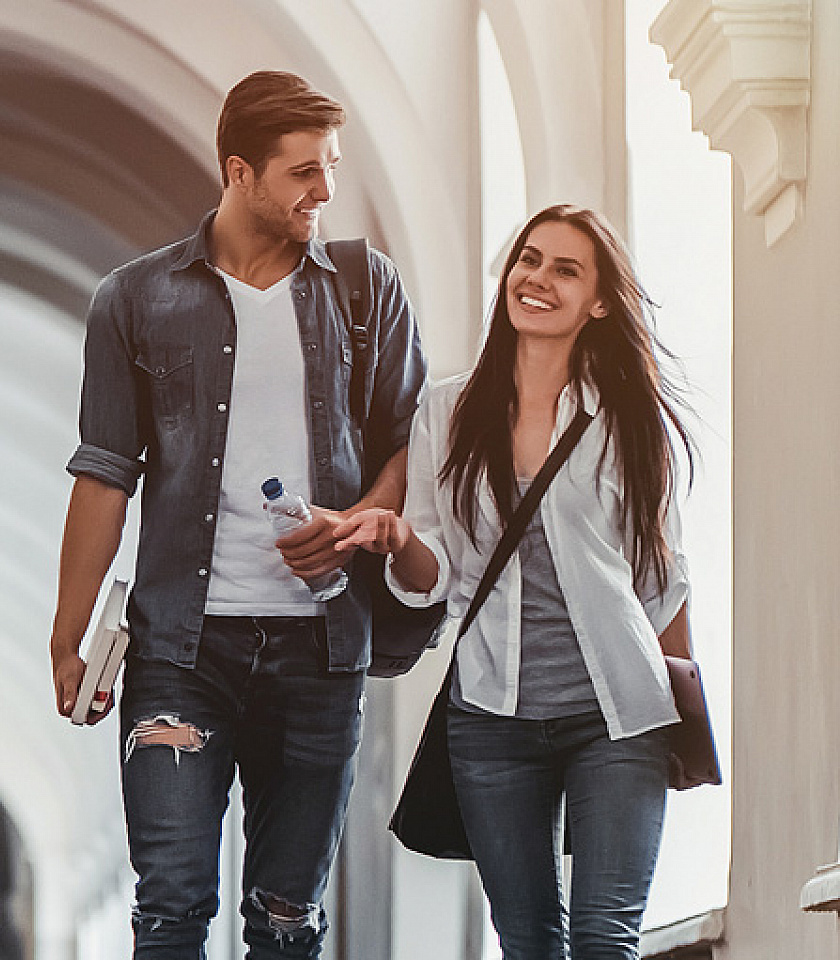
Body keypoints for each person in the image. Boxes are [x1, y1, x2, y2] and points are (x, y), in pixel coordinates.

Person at [48, 70, 429, 957]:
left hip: (321, 649)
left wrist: (357, 522)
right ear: (239, 172)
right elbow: (105, 474)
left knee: (288, 921)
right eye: (303, 172)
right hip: (183, 652)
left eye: (331, 166)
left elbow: (412, 444)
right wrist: (68, 639)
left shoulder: (365, 288)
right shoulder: (135, 300)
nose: (324, 190)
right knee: (172, 907)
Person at [336, 204, 695, 959]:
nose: (537, 279)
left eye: (566, 269)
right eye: (530, 259)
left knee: (605, 941)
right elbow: (432, 577)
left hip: (616, 718)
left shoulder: (627, 416)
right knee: (529, 942)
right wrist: (399, 538)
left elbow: (662, 578)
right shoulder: (450, 409)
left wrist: (679, 704)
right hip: (491, 720)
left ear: (599, 301)